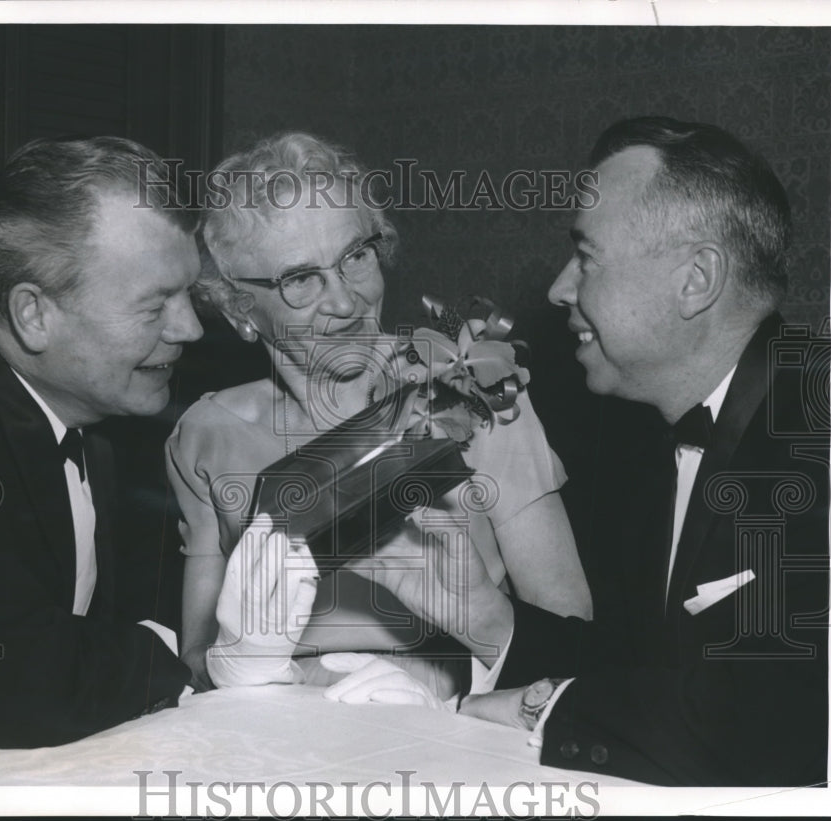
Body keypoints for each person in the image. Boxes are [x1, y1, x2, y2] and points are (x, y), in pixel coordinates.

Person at [237, 117, 831, 786]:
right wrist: (488, 619)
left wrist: (541, 704)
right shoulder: (645, 448)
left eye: (586, 255)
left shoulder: (825, 427)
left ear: (696, 279)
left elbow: (787, 714)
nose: (558, 288)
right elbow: (643, 667)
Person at [167, 132, 591, 693]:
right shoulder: (205, 436)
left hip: (458, 735)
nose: (345, 302)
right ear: (239, 310)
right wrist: (281, 677)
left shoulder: (474, 391)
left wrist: (420, 686)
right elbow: (198, 656)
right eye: (300, 279)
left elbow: (571, 639)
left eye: (356, 257)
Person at [0, 136, 210, 748]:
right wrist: (184, 653)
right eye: (155, 305)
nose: (188, 327)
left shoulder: (92, 415)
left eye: (189, 293)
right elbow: (21, 685)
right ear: (33, 316)